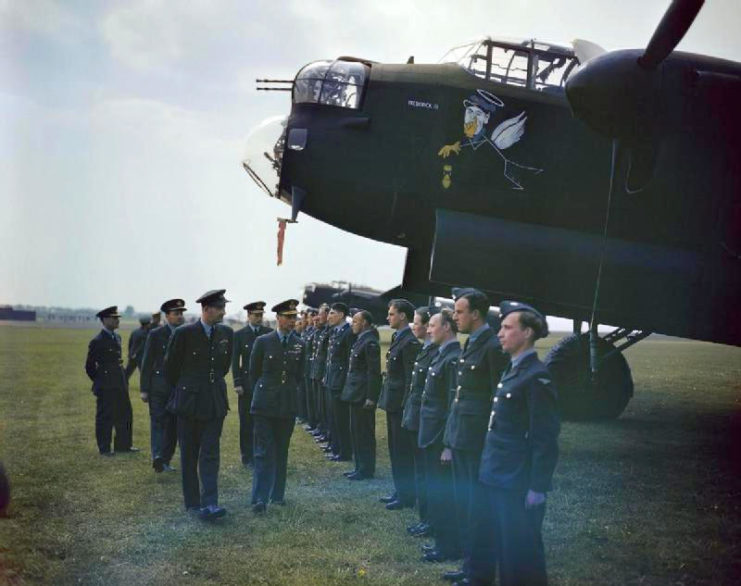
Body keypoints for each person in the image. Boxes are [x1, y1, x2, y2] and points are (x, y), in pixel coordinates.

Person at [467, 302, 559, 586]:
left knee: (519, 556)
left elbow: (545, 438)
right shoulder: (514, 369)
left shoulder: (536, 376)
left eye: (507, 328)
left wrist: (537, 487)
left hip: (515, 480)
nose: (500, 333)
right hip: (495, 473)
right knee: (491, 540)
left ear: (527, 333)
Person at [444, 288, 508, 584]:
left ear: (476, 314)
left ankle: (479, 574)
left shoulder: (492, 347)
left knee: (477, 509)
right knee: (466, 505)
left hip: (476, 442)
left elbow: (499, 400)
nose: (454, 316)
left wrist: (490, 445)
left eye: (459, 311)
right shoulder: (472, 342)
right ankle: (470, 568)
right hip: (461, 437)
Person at [164, 289, 233, 521]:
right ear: (206, 309)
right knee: (189, 454)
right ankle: (193, 502)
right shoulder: (185, 333)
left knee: (211, 453)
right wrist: (189, 387)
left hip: (214, 402)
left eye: (224, 307)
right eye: (220, 308)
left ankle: (210, 503)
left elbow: (224, 366)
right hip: (189, 403)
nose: (224, 312)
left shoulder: (226, 332)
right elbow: (170, 368)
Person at [249, 299, 304, 513]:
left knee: (282, 450)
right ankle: (260, 498)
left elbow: (299, 375)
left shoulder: (300, 344)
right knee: (264, 451)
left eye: (294, 317)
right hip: (264, 406)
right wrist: (266, 392)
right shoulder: (263, 341)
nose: (293, 321)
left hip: (287, 405)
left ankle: (277, 495)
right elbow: (254, 373)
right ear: (278, 318)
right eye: (288, 317)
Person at [418, 309, 462, 563]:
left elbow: (452, 406)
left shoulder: (453, 358)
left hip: (438, 437)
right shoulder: (441, 355)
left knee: (443, 492)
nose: (428, 329)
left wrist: (448, 444)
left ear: (447, 327)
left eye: (433, 325)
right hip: (430, 433)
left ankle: (447, 547)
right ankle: (439, 538)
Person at [378, 299, 421, 510]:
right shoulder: (398, 337)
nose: (388, 317)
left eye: (392, 314)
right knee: (395, 449)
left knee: (402, 451)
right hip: (392, 402)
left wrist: (405, 407)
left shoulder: (410, 342)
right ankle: (399, 490)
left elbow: (409, 379)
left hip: (400, 405)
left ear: (403, 316)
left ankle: (406, 495)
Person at [402, 307, 437, 538]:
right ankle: (424, 518)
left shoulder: (434, 352)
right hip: (416, 417)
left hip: (425, 420)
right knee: (420, 470)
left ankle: (429, 520)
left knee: (426, 472)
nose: (414, 327)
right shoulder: (426, 349)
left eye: (417, 323)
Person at [140, 298, 186, 472]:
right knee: (158, 422)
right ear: (167, 316)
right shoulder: (156, 334)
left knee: (173, 425)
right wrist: (144, 389)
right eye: (176, 313)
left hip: (178, 387)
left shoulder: (186, 333)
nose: (180, 316)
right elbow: (147, 362)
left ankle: (165, 460)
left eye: (181, 313)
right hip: (158, 387)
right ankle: (157, 455)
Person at [85, 306, 137, 456]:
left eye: (118, 318)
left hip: (120, 382)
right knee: (105, 417)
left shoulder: (117, 337)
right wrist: (100, 381)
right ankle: (105, 448)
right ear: (105, 320)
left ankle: (124, 445)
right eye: (114, 318)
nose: (117, 320)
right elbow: (89, 366)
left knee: (125, 414)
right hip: (106, 385)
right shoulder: (97, 341)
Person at [232, 301, 273, 468]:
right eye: (255, 315)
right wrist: (237, 382)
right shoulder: (240, 335)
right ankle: (247, 456)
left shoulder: (269, 333)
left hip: (265, 385)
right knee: (246, 421)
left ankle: (261, 454)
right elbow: (235, 361)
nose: (259, 318)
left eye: (261, 315)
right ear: (248, 316)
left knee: (263, 422)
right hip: (247, 385)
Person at [340, 309, 380, 480]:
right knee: (356, 431)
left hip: (363, 395)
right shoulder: (361, 340)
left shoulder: (370, 342)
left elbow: (373, 372)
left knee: (364, 432)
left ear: (364, 323)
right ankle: (359, 467)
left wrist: (371, 397)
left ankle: (366, 469)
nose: (352, 324)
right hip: (355, 393)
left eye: (355, 321)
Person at [324, 302, 355, 462]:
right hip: (331, 380)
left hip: (340, 382)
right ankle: (336, 448)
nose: (329, 316)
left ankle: (345, 452)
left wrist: (346, 385)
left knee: (341, 419)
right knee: (333, 417)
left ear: (342, 315)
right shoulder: (335, 332)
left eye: (332, 313)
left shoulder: (348, 333)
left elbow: (350, 361)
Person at [310, 305, 331, 446]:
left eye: (321, 314)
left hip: (326, 375)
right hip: (318, 373)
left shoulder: (328, 331)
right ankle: (323, 430)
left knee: (326, 407)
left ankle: (327, 433)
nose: (318, 317)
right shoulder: (323, 331)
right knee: (320, 405)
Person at [302, 308, 318, 431]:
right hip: (308, 367)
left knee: (315, 399)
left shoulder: (315, 332)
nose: (306, 319)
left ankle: (314, 423)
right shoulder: (308, 331)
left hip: (314, 368)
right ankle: (309, 420)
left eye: (308, 317)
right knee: (308, 397)